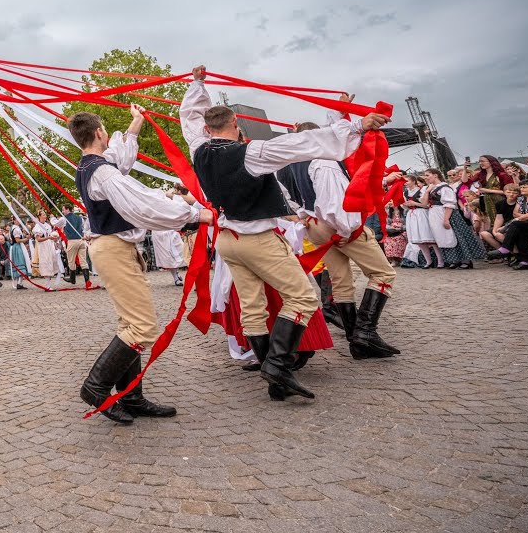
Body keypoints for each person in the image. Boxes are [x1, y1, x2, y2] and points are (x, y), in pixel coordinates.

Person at [181, 65, 388, 400]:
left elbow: (188, 115)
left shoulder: (197, 149)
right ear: (236, 124)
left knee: (252, 306)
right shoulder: (251, 152)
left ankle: (274, 377)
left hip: (227, 241)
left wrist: (197, 84)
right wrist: (355, 125)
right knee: (304, 298)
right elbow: (302, 144)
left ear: (206, 128)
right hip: (257, 239)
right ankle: (277, 364)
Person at [68, 106, 211, 425]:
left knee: (129, 323)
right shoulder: (101, 171)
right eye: (106, 130)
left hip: (116, 247)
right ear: (99, 133)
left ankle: (130, 395)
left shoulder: (98, 165)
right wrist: (195, 215)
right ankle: (96, 387)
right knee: (141, 327)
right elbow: (141, 203)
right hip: (113, 248)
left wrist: (137, 121)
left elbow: (121, 156)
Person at [301, 106, 400, 361]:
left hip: (316, 227)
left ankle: (355, 340)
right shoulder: (324, 162)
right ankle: (364, 333)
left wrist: (338, 108)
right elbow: (334, 202)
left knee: (341, 281)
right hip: (337, 226)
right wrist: (346, 229)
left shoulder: (293, 162)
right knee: (383, 273)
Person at [421, 169, 484, 269]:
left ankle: (466, 260)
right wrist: (428, 191)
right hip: (435, 214)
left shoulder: (445, 187)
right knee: (444, 237)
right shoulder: (430, 188)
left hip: (446, 214)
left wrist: (446, 219)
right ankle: (455, 259)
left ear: (435, 175)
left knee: (456, 235)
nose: (425, 177)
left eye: (427, 175)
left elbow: (450, 204)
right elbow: (424, 204)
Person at [493, 181, 528, 270]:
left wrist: (527, 216)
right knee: (520, 232)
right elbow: (515, 213)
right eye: (521, 187)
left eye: (525, 187)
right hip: (527, 222)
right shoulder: (521, 199)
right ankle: (527, 262)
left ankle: (506, 247)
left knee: (516, 224)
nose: (522, 189)